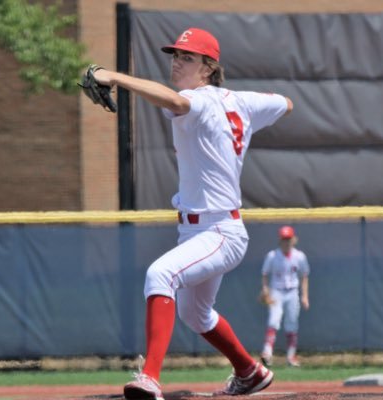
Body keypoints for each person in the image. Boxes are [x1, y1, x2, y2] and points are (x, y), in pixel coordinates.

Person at [92, 27, 293, 400]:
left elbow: (178, 103)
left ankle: (149, 377)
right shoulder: (241, 101)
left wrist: (115, 76)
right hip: (202, 230)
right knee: (196, 315)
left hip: (219, 231)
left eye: (187, 57)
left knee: (160, 274)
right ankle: (249, 371)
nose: (177, 62)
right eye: (175, 55)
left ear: (208, 68)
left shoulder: (196, 99)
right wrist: (254, 107)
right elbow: (285, 103)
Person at [259, 225, 310, 368]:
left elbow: (304, 276)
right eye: (284, 239)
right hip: (277, 291)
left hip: (292, 291)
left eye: (288, 239)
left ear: (294, 240)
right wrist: (265, 290)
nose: (286, 242)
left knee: (292, 323)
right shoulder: (272, 256)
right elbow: (264, 274)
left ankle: (291, 356)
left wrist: (305, 296)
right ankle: (267, 354)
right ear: (279, 240)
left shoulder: (299, 256)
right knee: (274, 320)